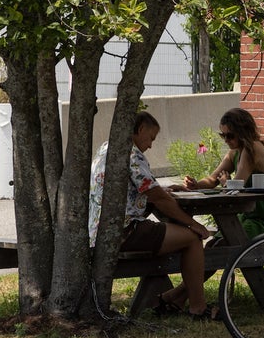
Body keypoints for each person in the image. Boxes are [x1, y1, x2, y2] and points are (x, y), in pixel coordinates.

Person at [87, 111, 215, 319]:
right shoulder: (133, 154)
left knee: (182, 235)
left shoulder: (106, 148)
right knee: (192, 239)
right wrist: (194, 225)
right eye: (151, 138)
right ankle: (198, 308)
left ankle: (174, 298)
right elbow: (158, 199)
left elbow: (145, 189)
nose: (150, 145)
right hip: (125, 230)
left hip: (98, 232)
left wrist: (164, 190)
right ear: (140, 130)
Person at [184, 107, 264, 237]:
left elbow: (236, 186)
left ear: (242, 132)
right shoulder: (234, 152)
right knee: (216, 243)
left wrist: (226, 183)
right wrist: (196, 185)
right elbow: (213, 179)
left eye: (230, 136)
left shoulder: (253, 148)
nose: (226, 140)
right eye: (223, 135)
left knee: (222, 243)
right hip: (250, 218)